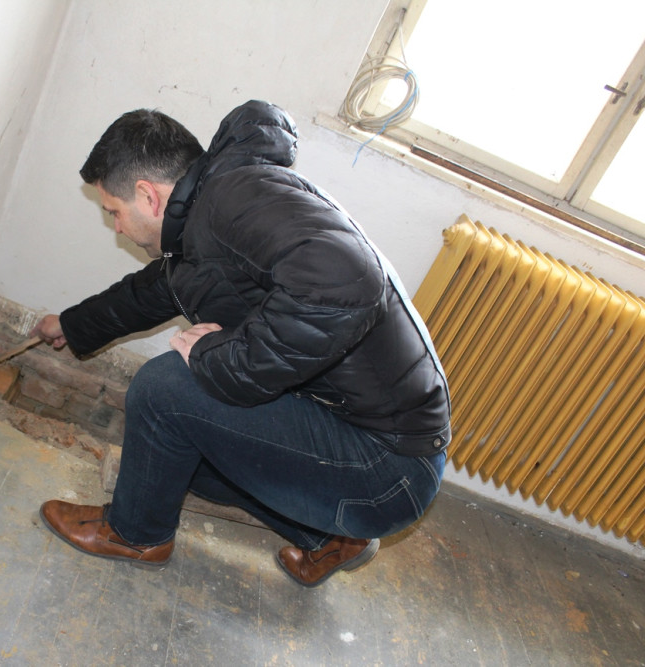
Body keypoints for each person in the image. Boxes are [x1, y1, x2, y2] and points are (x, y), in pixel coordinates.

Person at [30, 100, 451, 587]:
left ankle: (135, 534)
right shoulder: (209, 214)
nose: (117, 228)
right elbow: (157, 290)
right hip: (371, 445)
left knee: (165, 390)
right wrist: (72, 325)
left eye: (115, 213)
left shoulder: (234, 201)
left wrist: (215, 358)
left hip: (387, 468)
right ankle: (331, 537)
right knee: (177, 456)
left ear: (148, 196)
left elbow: (349, 282)